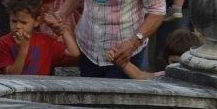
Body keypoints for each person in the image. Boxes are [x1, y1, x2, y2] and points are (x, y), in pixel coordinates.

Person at [58, 24, 203, 80]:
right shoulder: (167, 75)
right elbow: (142, 76)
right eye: (174, 63)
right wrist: (121, 61)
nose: (178, 68)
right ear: (167, 60)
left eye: (184, 63)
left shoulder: (202, 79)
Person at [0, 0, 70, 74]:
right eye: (14, 21)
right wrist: (23, 49)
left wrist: (63, 30)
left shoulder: (45, 41)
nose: (18, 26)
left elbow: (73, 53)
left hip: (40, 87)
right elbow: (12, 74)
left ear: (36, 21)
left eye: (23, 22)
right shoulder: (4, 42)